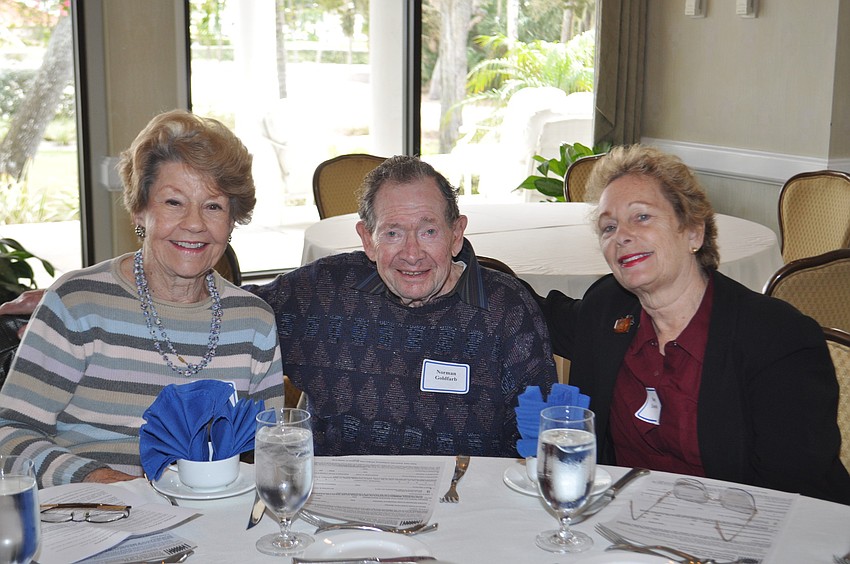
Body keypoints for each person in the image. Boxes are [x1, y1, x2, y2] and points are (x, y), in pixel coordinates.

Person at [530, 144, 850, 504]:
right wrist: (461, 267)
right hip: (625, 527)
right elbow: (538, 313)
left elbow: (790, 494)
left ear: (694, 232)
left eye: (642, 217)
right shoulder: (608, 308)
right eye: (608, 227)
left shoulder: (776, 339)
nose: (621, 236)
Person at [0, 110, 284, 487]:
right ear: (140, 209)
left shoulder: (254, 322)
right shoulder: (78, 303)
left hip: (211, 521)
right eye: (173, 202)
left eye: (213, 206)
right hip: (91, 517)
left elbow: (274, 446)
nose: (195, 223)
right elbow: (9, 433)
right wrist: (104, 481)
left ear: (232, 220)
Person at [246, 155, 558, 457]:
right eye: (393, 232)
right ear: (368, 239)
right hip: (340, 502)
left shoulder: (506, 311)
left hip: (465, 502)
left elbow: (539, 444)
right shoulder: (323, 292)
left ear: (456, 235)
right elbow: (229, 312)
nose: (412, 253)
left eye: (429, 231)